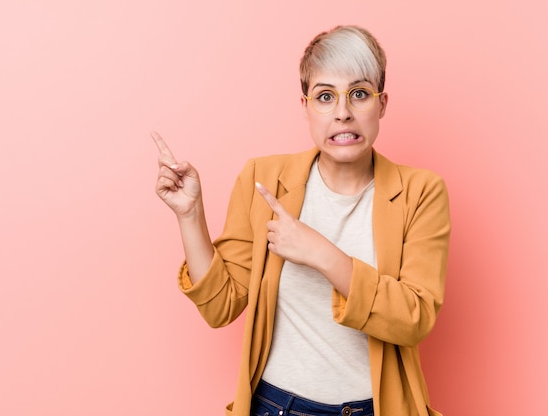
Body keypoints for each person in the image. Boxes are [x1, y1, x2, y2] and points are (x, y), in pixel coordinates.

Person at [152, 25, 450, 416]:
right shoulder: (264, 179)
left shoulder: (421, 192)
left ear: (382, 103)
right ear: (305, 105)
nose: (342, 113)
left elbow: (414, 318)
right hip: (276, 406)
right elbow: (220, 307)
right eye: (325, 96)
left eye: (359, 94)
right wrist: (190, 215)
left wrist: (322, 254)